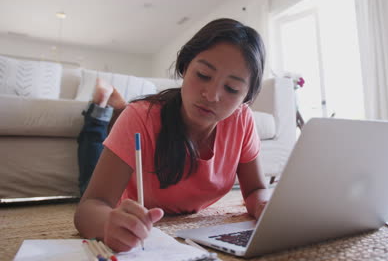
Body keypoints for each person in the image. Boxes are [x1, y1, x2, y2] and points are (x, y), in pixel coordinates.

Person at [74, 18, 270, 252]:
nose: (211, 95)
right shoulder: (138, 117)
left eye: (232, 89)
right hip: (121, 208)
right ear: (185, 67)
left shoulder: (242, 120)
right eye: (203, 75)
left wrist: (264, 206)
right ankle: (99, 109)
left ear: (245, 98)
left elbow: (254, 190)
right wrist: (108, 224)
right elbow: (89, 207)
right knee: (90, 160)